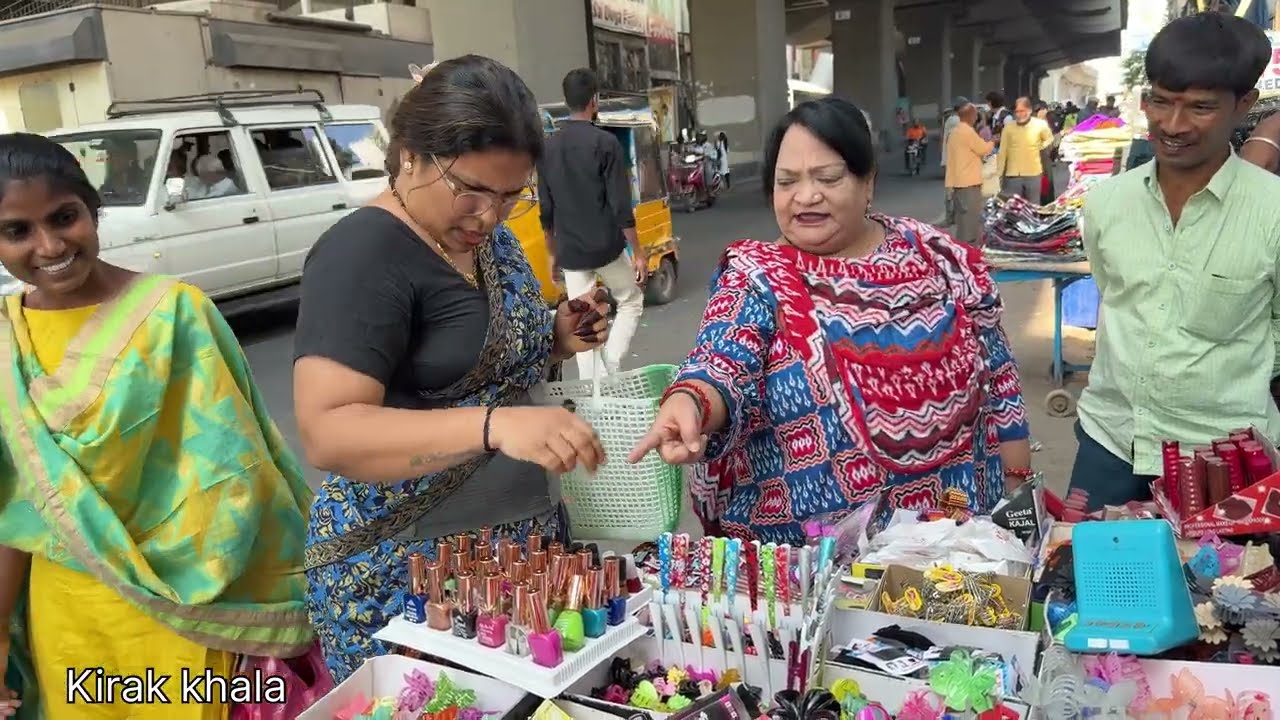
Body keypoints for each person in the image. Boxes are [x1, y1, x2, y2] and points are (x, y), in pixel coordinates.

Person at [292, 55, 612, 683]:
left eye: (509, 196)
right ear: (410, 154)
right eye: (469, 189)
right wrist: (492, 426)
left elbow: (467, 359)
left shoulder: (477, 234)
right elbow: (329, 431)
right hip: (406, 570)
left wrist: (556, 336)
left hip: (510, 547)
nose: (488, 215)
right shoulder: (364, 252)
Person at [0, 133, 314, 719]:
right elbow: (12, 508)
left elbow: (239, 478)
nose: (48, 245)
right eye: (17, 231)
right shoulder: (4, 342)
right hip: (69, 612)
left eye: (64, 217)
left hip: (190, 605)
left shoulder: (175, 314)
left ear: (92, 211)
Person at [626, 97, 1033, 544]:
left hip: (950, 558)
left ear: (868, 182)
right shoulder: (756, 276)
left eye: (828, 177)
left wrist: (1016, 496)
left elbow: (1000, 380)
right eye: (787, 182)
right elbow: (722, 358)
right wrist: (692, 402)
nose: (805, 196)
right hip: (808, 572)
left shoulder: (939, 259)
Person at [1068, 14, 1280, 510]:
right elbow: (1115, 296)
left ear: (1243, 105)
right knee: (1090, 580)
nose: (1173, 125)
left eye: (1200, 108)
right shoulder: (1106, 206)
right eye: (1160, 101)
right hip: (1110, 444)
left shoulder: (1272, 212)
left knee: (1226, 586)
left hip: (1222, 457)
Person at [538, 67, 646, 381]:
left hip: (570, 252)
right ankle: (610, 368)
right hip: (606, 247)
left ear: (567, 100)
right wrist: (638, 252)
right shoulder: (606, 144)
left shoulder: (547, 149)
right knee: (630, 300)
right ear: (594, 101)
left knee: (581, 322)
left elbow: (546, 210)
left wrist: (551, 254)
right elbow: (621, 206)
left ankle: (591, 388)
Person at [946, 103, 995, 245]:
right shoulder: (967, 132)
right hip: (969, 182)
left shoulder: (955, 132)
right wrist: (992, 142)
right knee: (971, 222)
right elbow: (983, 149)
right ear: (972, 116)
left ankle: (962, 249)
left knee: (963, 220)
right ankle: (967, 251)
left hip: (958, 182)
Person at [997, 97, 1054, 201]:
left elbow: (1050, 139)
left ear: (1029, 110)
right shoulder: (1008, 128)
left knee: (1033, 207)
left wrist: (1041, 146)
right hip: (1013, 175)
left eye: (1022, 111)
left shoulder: (1040, 125)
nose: (1019, 114)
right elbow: (1003, 151)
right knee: (1014, 209)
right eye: (1017, 111)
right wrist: (999, 174)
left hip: (1033, 173)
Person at [938, 96, 969, 226]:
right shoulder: (956, 121)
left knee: (954, 189)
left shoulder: (952, 120)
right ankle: (951, 217)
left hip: (951, 160)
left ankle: (954, 217)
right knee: (953, 190)